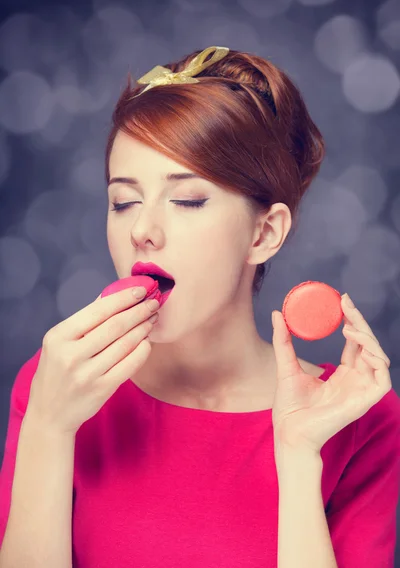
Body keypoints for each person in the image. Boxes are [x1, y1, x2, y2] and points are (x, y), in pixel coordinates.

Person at [0, 46, 399, 567]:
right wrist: (50, 430)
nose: (142, 231)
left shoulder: (357, 418)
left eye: (186, 200)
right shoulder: (56, 382)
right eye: (123, 202)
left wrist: (300, 457)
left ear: (264, 233)